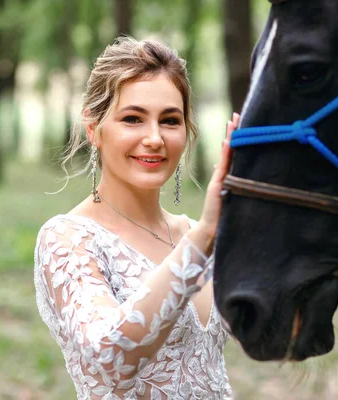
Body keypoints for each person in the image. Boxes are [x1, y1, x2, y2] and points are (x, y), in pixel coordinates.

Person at [33, 35, 239, 400]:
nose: (155, 138)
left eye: (170, 120)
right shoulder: (68, 238)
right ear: (94, 129)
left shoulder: (195, 232)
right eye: (133, 118)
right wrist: (206, 235)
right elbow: (110, 360)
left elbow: (276, 334)